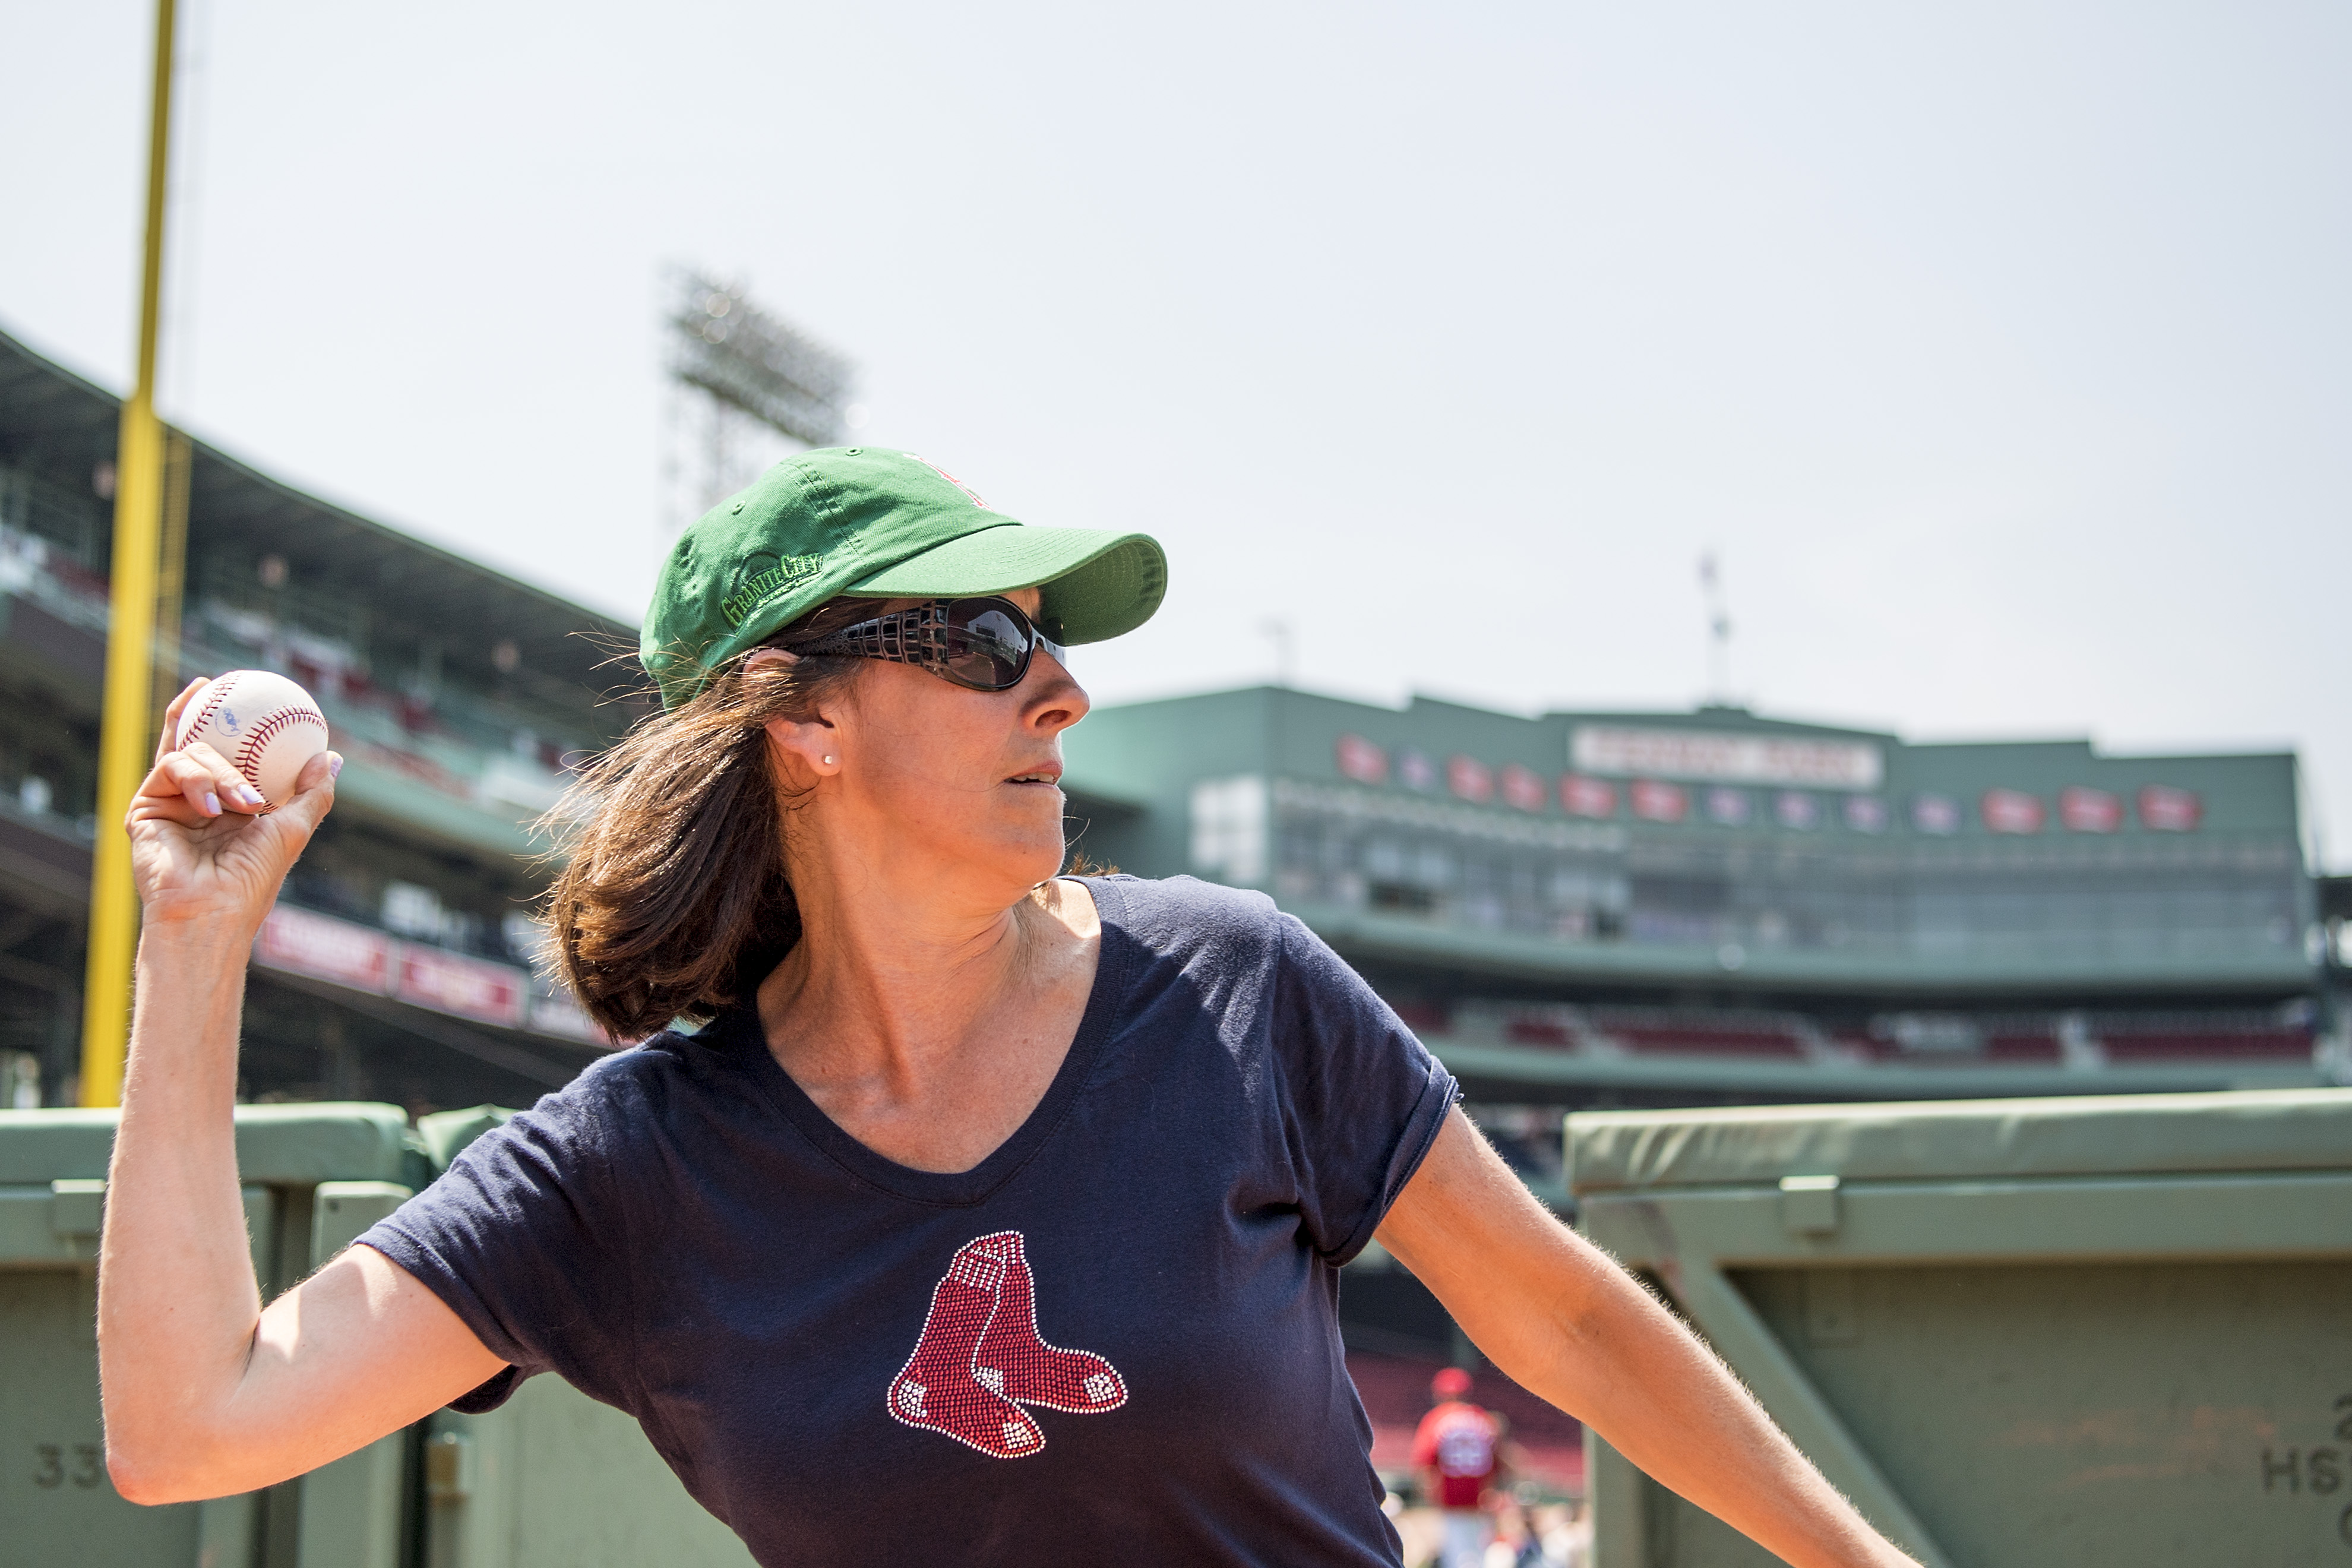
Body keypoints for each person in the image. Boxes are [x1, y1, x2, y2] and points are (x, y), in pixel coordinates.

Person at [96, 446, 1924, 1567]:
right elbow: (192, 1429)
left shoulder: (1235, 985)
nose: (1060, 694)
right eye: (986, 643)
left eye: (1052, 642)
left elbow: (1573, 1326)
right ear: (802, 722)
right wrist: (193, 937)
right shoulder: (631, 1170)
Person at [1412, 1367, 1501, 1568]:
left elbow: (1425, 1466)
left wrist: (1430, 1499)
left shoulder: (1436, 1419)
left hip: (1451, 1504)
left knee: (1457, 1560)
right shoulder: (1483, 1418)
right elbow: (1498, 1462)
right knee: (1481, 1559)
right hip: (1481, 1503)